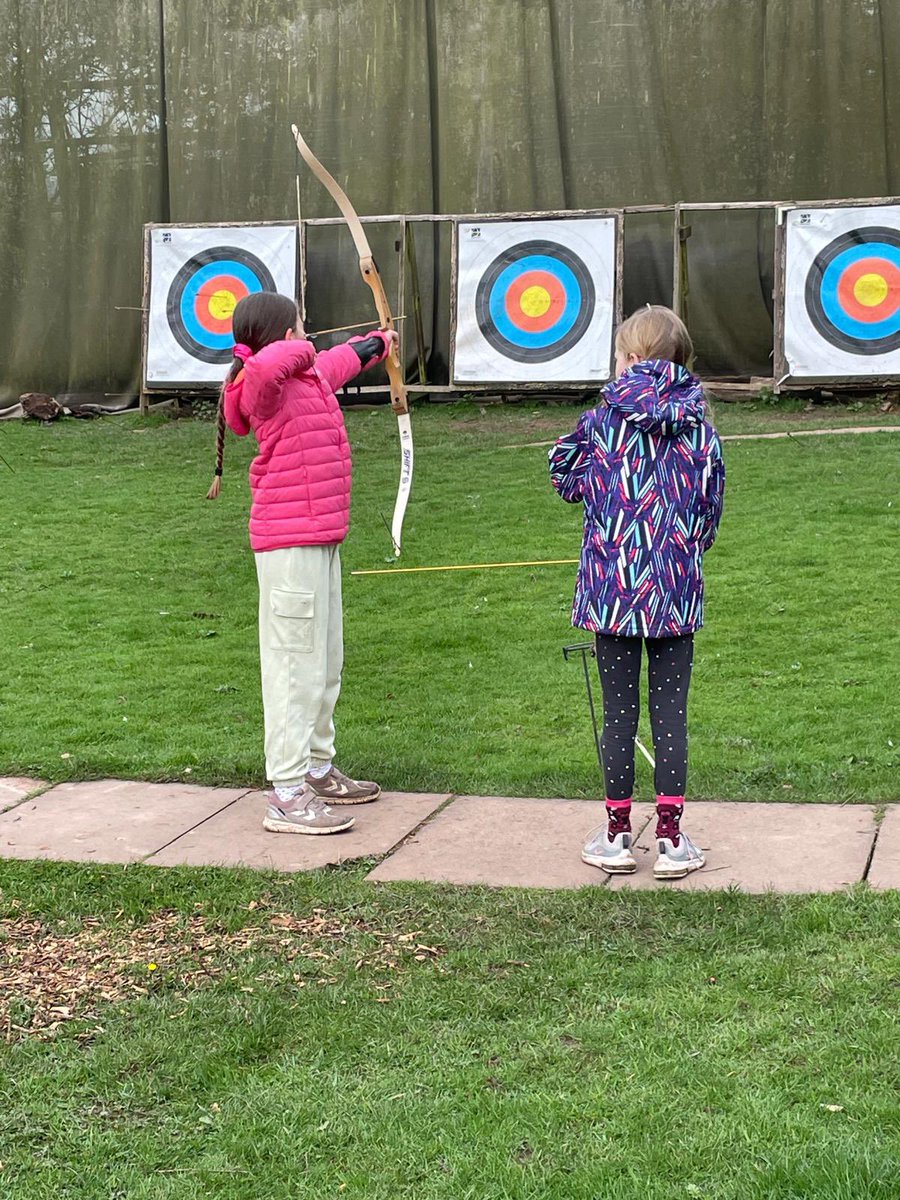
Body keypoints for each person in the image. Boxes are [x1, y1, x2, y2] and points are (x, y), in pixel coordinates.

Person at [207, 290, 397, 835]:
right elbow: (268, 365)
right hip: (288, 542)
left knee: (324, 660)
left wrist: (376, 344)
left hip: (319, 535)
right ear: (281, 335)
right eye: (299, 326)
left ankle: (316, 768)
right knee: (294, 667)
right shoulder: (257, 384)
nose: (307, 336)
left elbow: (334, 363)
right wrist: (298, 345)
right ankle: (286, 793)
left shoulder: (302, 379)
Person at [549, 305, 724, 879]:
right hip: (675, 592)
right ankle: (671, 840)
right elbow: (710, 509)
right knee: (671, 714)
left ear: (629, 359)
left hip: (612, 592)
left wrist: (601, 489)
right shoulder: (699, 425)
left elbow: (564, 476)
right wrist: (685, 549)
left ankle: (616, 836)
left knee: (620, 714)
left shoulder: (601, 421)